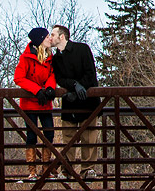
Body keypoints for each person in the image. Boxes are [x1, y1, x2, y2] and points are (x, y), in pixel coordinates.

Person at [50, 25, 101, 178]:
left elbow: (91, 74)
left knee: (89, 136)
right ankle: (67, 170)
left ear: (62, 36)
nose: (50, 37)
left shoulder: (82, 49)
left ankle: (88, 170)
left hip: (87, 100)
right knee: (68, 137)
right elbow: (60, 79)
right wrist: (73, 86)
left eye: (53, 34)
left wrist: (80, 88)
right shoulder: (56, 58)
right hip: (70, 102)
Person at [14, 27, 58, 182]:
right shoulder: (26, 58)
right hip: (30, 103)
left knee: (49, 134)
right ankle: (32, 172)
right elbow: (18, 78)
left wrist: (50, 88)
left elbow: (52, 74)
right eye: (47, 37)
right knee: (31, 136)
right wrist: (36, 90)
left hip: (45, 103)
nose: (50, 39)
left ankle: (46, 169)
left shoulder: (50, 57)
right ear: (40, 40)